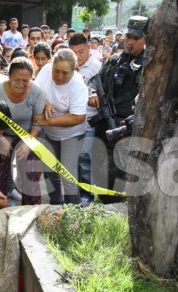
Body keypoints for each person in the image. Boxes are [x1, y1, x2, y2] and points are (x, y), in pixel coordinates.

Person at [95, 16, 147, 203]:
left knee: (122, 176)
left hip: (127, 129)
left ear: (145, 39)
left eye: (136, 38)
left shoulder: (149, 66)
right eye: (128, 36)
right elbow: (97, 83)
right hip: (104, 125)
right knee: (100, 171)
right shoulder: (113, 61)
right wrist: (93, 93)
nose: (130, 41)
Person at [0, 57, 46, 204]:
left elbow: (37, 123)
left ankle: (32, 211)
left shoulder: (37, 92)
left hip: (28, 135)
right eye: (17, 79)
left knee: (31, 176)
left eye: (25, 81)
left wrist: (28, 143)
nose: (21, 84)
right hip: (2, 133)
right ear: (9, 77)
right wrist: (0, 138)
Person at [33, 49, 88, 204]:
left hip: (72, 133)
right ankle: (55, 204)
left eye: (65, 73)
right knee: (49, 171)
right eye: (56, 71)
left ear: (74, 70)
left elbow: (78, 117)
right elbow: (34, 90)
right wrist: (45, 101)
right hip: (50, 133)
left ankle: (73, 210)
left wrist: (47, 122)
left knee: (68, 174)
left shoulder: (78, 85)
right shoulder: (45, 71)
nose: (59, 76)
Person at [69, 33, 102, 205]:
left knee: (84, 158)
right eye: (73, 52)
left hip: (89, 120)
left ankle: (86, 195)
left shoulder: (97, 67)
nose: (77, 56)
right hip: (69, 119)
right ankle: (71, 193)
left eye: (81, 51)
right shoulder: (67, 64)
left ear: (89, 48)